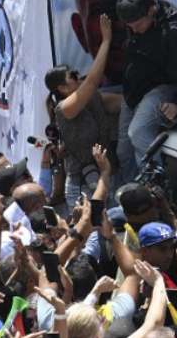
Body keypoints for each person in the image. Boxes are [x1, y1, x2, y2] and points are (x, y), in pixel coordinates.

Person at [114, 0, 177, 179]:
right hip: (133, 91)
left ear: (151, 11)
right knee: (123, 151)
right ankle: (130, 198)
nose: (134, 29)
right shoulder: (138, 14)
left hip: (162, 88)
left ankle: (154, 193)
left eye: (138, 24)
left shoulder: (174, 35)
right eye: (129, 26)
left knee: (138, 133)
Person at [44, 14, 120, 208]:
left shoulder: (94, 98)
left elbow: (122, 103)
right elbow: (93, 80)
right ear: (62, 88)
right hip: (84, 185)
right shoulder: (64, 109)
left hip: (107, 175)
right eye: (73, 76)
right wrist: (106, 41)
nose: (79, 77)